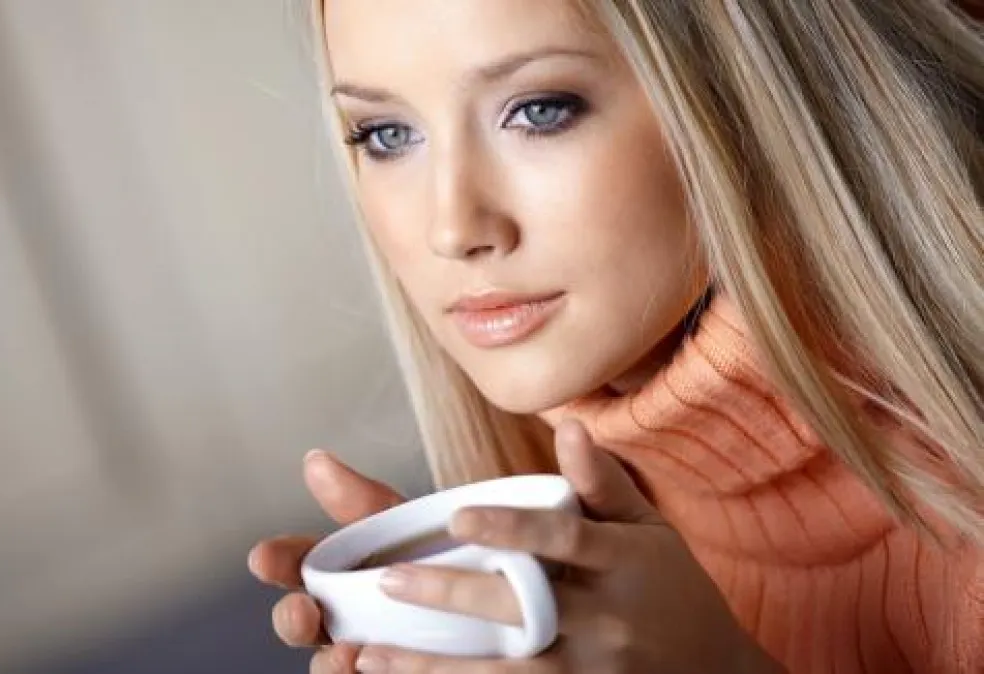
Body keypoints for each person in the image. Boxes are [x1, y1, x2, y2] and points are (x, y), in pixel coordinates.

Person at [247, 1, 984, 672]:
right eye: (386, 134)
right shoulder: (541, 511)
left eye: (538, 111)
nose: (453, 228)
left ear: (738, 92)